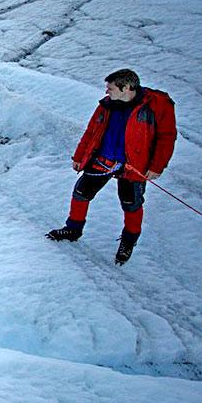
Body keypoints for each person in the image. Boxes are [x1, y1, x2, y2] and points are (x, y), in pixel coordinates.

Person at [47, 69, 177, 265]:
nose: (106, 91)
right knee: (81, 193)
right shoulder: (107, 105)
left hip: (134, 166)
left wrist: (157, 166)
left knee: (131, 204)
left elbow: (166, 138)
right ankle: (73, 229)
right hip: (102, 160)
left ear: (126, 88)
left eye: (110, 88)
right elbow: (92, 130)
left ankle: (128, 242)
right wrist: (80, 155)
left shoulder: (157, 106)